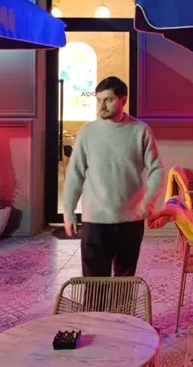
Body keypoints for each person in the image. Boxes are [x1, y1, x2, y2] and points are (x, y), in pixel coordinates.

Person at [63, 76, 164, 277]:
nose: (101, 106)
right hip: (95, 219)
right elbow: (75, 174)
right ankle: (96, 303)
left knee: (124, 281)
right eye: (99, 100)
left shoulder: (140, 131)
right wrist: (68, 212)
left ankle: (120, 302)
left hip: (130, 218)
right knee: (94, 283)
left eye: (108, 100)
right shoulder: (87, 132)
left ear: (123, 99)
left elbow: (157, 170)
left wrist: (149, 202)